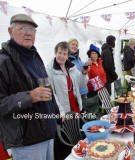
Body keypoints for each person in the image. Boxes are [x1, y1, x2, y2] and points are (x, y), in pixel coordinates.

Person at [0, 14, 60, 160]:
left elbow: (47, 89)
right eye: (22, 28)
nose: (28, 33)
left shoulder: (35, 56)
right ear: (10, 31)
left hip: (48, 133)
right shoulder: (3, 62)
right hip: (27, 142)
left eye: (32, 29)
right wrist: (29, 97)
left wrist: (56, 114)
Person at [46, 41, 88, 160]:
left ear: (67, 55)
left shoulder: (72, 67)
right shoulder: (50, 69)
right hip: (63, 108)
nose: (62, 56)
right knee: (67, 136)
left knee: (77, 132)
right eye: (60, 53)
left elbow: (81, 84)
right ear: (55, 52)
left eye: (64, 53)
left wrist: (84, 74)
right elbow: (52, 93)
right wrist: (61, 111)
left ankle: (80, 154)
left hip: (75, 105)